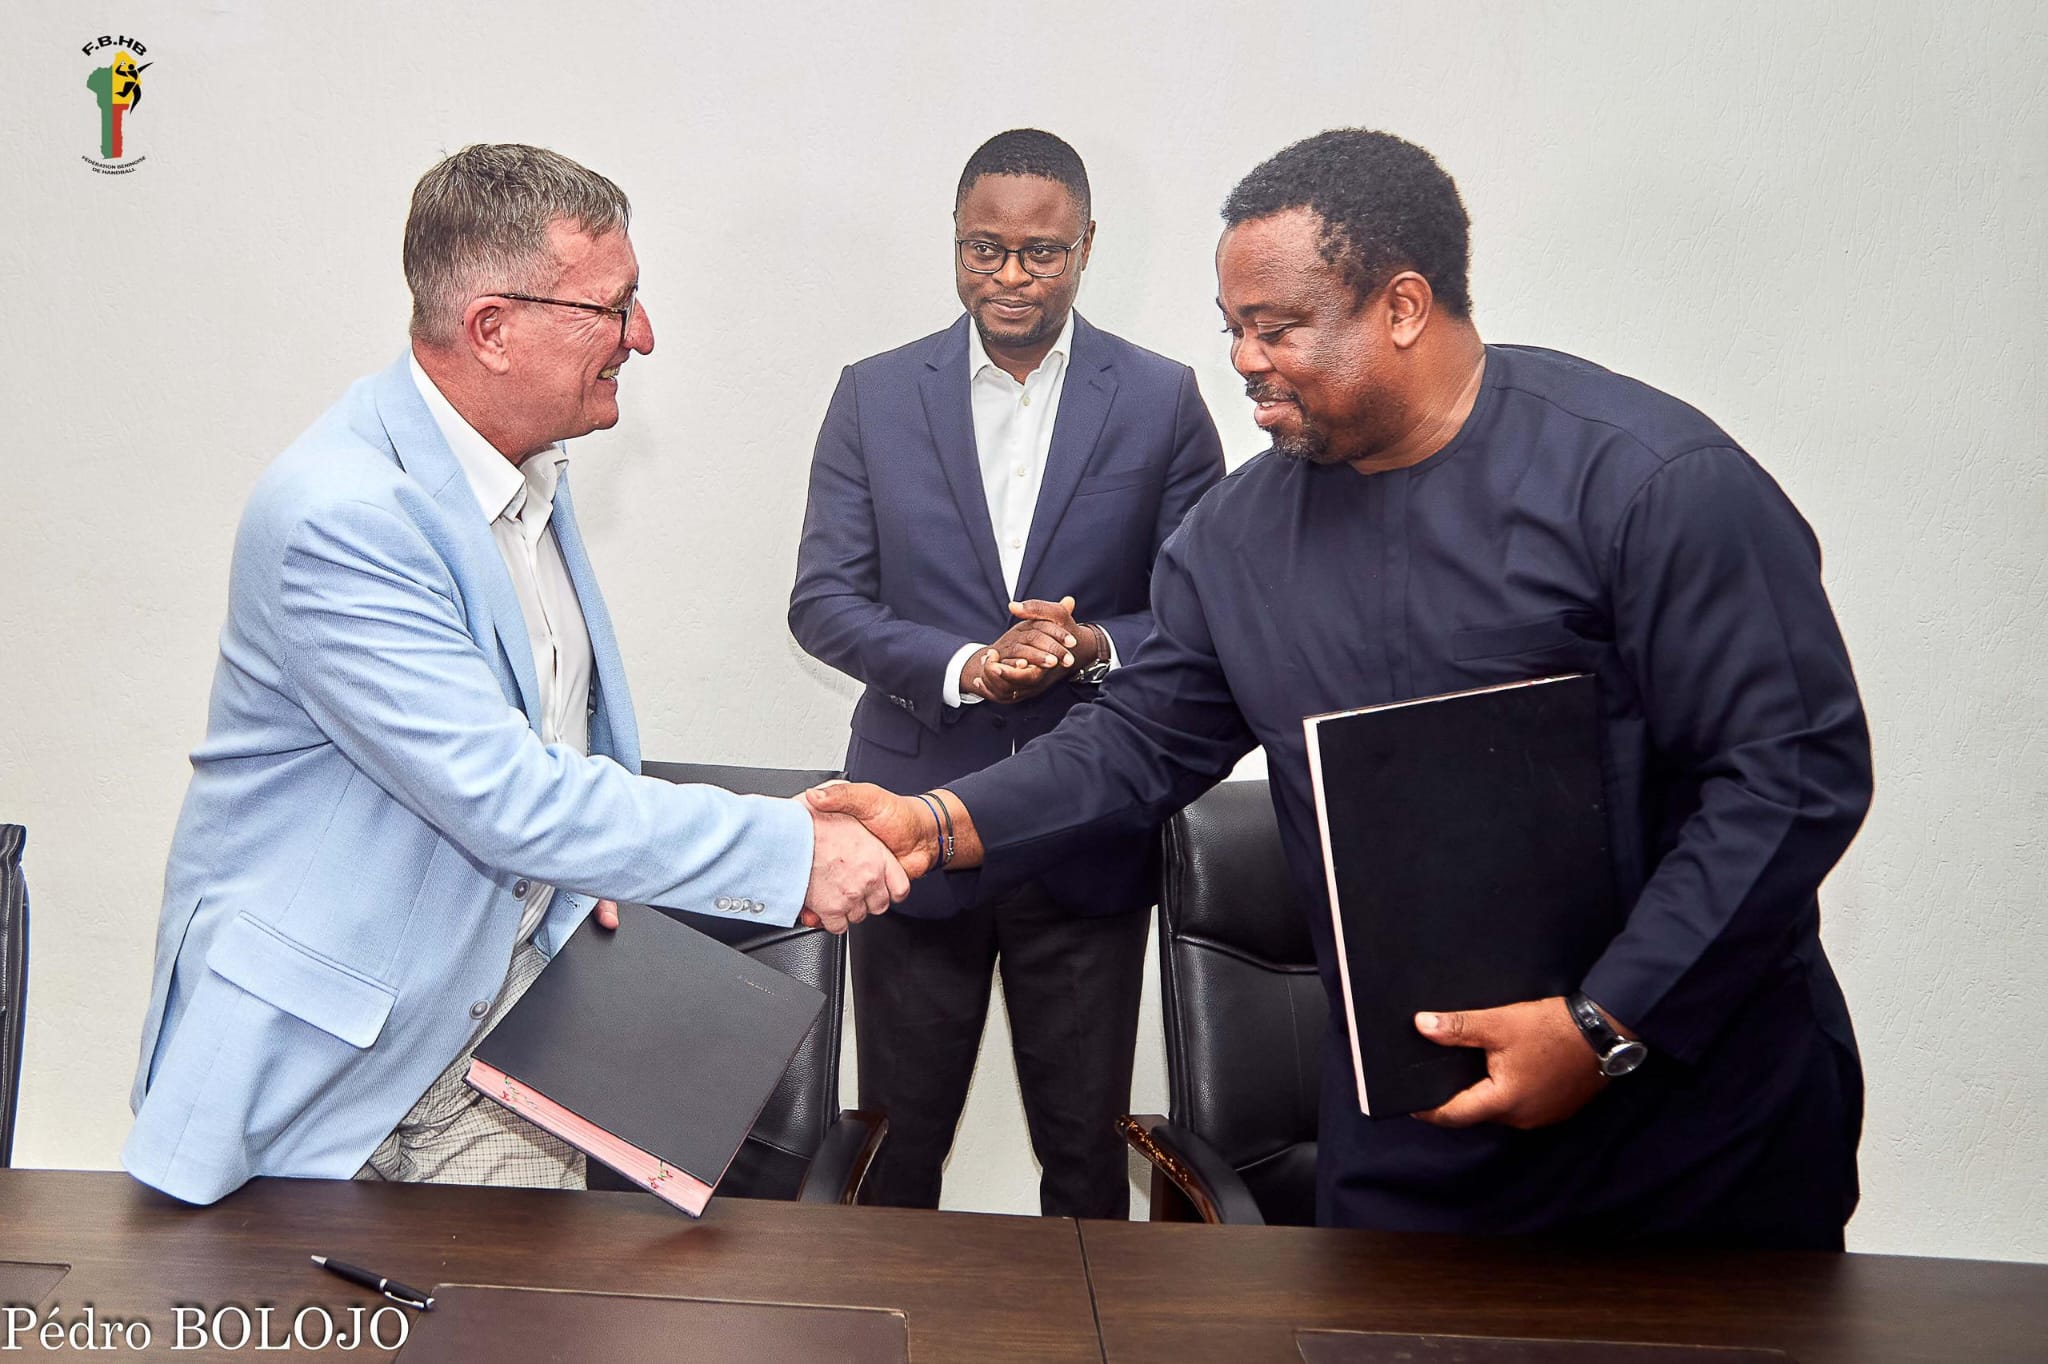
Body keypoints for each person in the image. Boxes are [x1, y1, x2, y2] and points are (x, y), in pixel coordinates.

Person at [809, 129, 1873, 1248]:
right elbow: (1136, 743)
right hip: (1410, 1130)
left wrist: (1607, 1020)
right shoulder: (1235, 538)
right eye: (1232, 329)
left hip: (1684, 1119)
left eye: (1276, 327)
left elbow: (1787, 776)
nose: (1242, 360)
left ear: (1401, 306)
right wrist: (938, 817)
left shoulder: (1646, 483)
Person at [125, 144, 905, 1207]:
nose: (643, 335)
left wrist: (609, 870)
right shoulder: (342, 515)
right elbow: (502, 793)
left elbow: (556, 742)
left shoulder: (525, 471)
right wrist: (784, 848)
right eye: (612, 305)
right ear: (492, 328)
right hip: (323, 1071)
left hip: (495, 1044)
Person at [788, 129, 1224, 1216]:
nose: (1011, 277)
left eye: (1041, 252)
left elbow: (1209, 610)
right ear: (954, 241)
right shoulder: (874, 394)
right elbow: (823, 600)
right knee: (895, 1151)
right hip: (907, 826)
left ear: (1084, 246)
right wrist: (966, 666)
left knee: (1084, 1162)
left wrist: (1092, 644)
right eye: (984, 249)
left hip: (1086, 832)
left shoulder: (1162, 398)